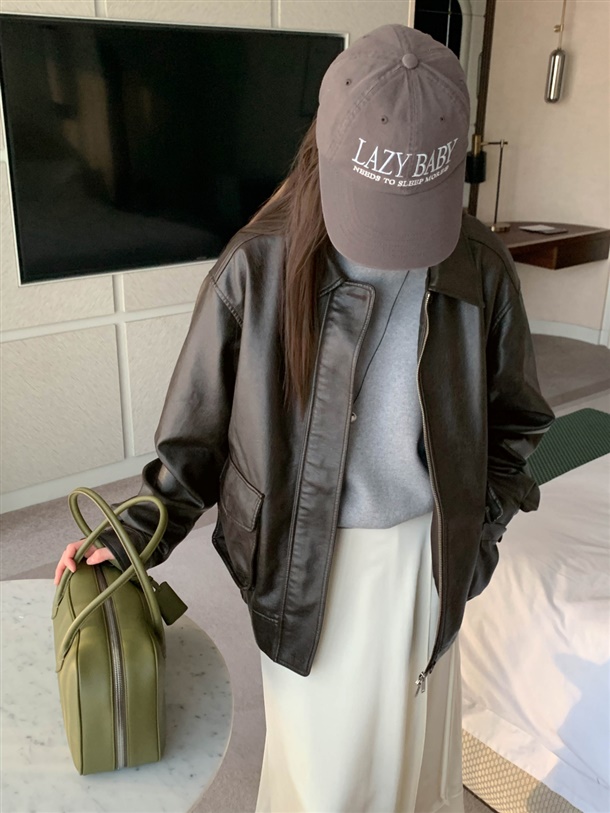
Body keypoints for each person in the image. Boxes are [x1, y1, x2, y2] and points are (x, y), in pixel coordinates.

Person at [55, 23, 556, 813]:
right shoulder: (256, 266)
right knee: (324, 785)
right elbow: (192, 448)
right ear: (325, 146)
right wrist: (123, 543)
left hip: (426, 562)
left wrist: (473, 540)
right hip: (303, 561)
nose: (397, 245)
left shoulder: (478, 264)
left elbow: (517, 422)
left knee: (411, 771)